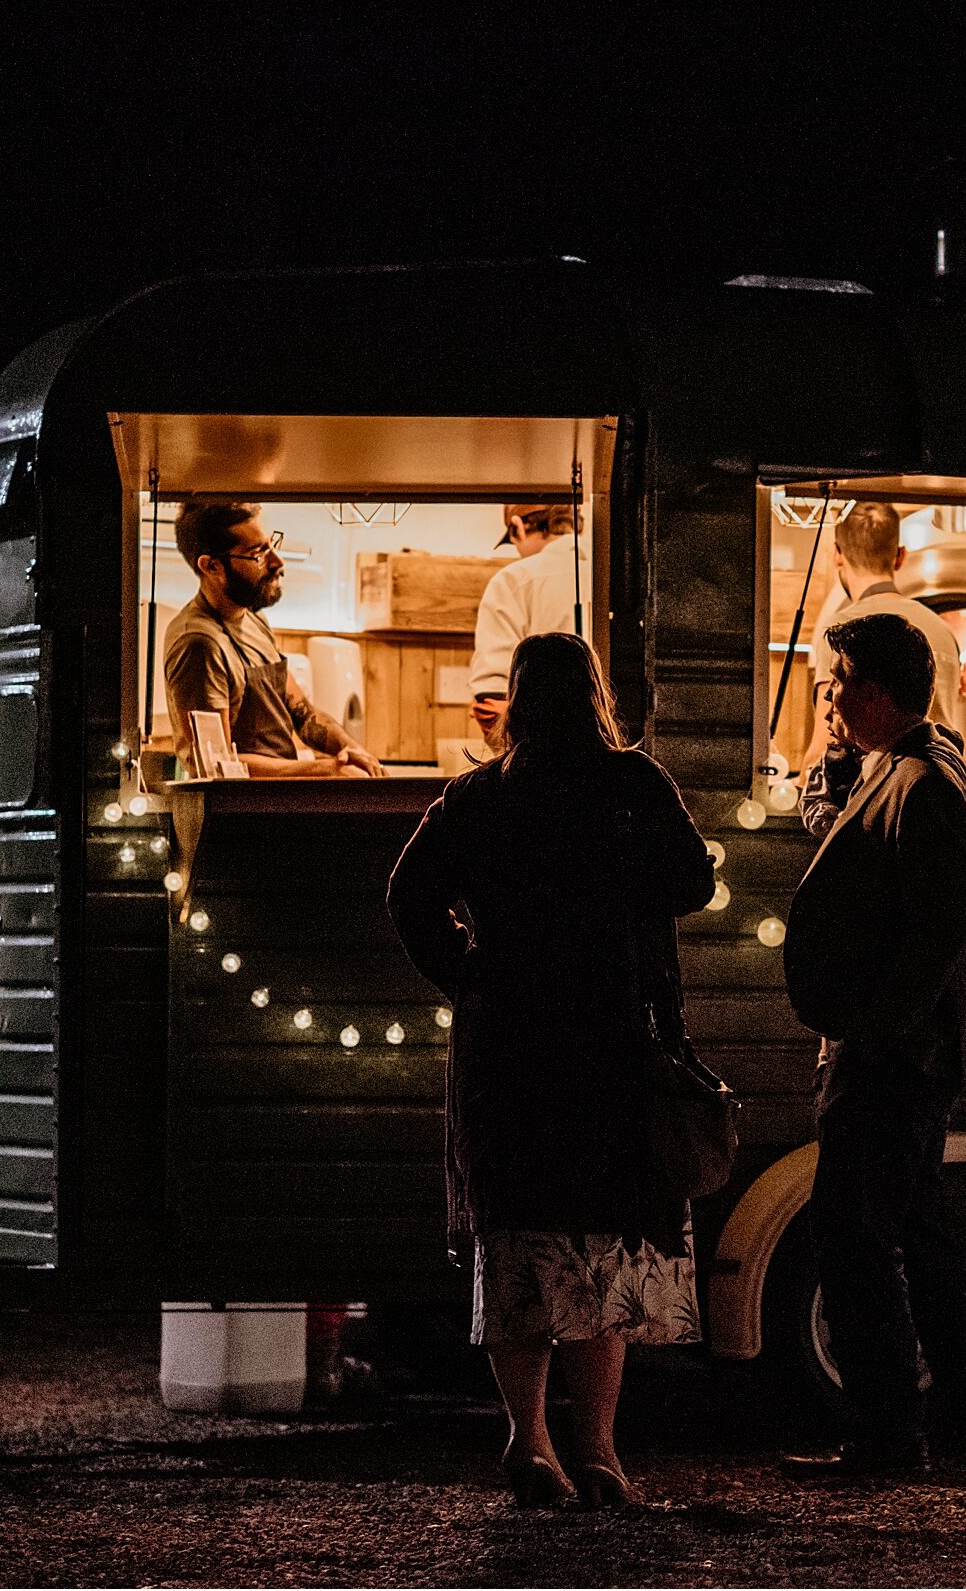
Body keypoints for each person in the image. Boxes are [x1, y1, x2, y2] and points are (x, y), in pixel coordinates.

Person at [385, 632, 716, 1509]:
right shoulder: (632, 784)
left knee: (519, 1242)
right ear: (595, 696)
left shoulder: (475, 796)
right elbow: (693, 883)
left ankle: (527, 1440)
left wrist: (467, 971)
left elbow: (406, 895)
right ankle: (600, 1450)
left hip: (507, 1052)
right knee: (601, 1243)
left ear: (518, 701)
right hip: (609, 1041)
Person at [779, 611, 966, 1478]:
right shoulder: (901, 767)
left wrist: (872, 1034)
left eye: (839, 684)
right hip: (904, 1048)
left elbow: (936, 934)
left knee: (854, 1235)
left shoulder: (924, 783)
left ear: (876, 693)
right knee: (921, 1228)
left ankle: (887, 1433)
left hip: (893, 1054)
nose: (830, 698)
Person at [163, 500, 384, 776]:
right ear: (211, 566)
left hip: (274, 802)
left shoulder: (254, 619)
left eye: (271, 545)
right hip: (238, 814)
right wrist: (325, 771)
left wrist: (353, 751)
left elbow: (301, 711)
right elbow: (215, 767)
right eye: (257, 554)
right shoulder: (199, 644)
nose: (277, 562)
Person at [794, 503, 963, 809]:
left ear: (836, 554)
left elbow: (829, 734)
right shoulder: (942, 631)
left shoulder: (845, 634)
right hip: (941, 786)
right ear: (900, 555)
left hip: (875, 797)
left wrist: (802, 781)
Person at [467, 503, 584, 744]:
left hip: (538, 757)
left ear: (517, 528)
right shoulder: (609, 573)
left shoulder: (512, 581)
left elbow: (491, 700)